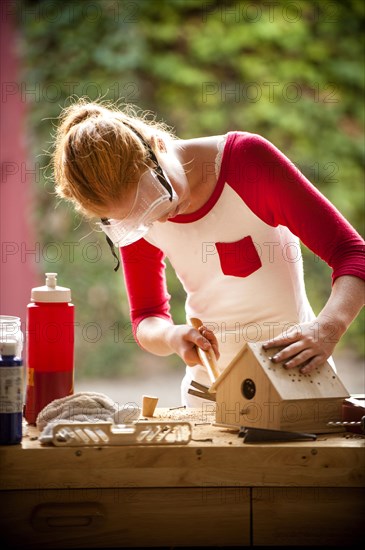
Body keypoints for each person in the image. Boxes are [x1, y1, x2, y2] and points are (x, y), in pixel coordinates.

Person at [53, 99, 364, 406]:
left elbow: (352, 253)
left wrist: (328, 328)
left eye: (158, 200)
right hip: (208, 398)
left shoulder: (247, 162)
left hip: (296, 386)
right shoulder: (136, 216)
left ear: (157, 145)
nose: (159, 220)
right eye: (138, 221)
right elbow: (146, 317)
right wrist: (172, 337)